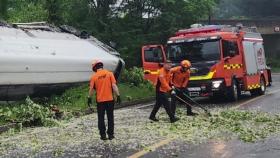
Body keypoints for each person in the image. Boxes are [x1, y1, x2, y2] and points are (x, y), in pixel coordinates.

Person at [88, 60, 121, 140]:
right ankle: (110, 135)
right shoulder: (109, 74)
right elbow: (114, 86)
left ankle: (103, 135)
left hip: (100, 101)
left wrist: (89, 98)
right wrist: (118, 95)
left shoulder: (94, 77)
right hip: (110, 99)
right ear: (102, 66)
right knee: (110, 117)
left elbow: (91, 89)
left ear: (95, 68)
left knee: (101, 118)